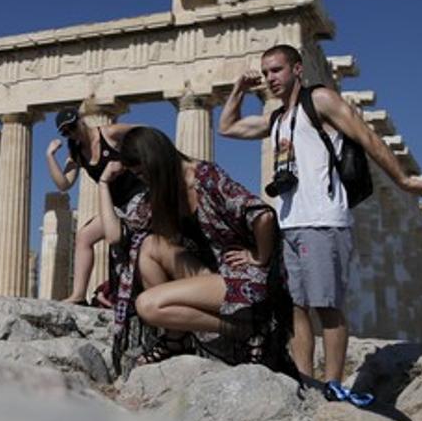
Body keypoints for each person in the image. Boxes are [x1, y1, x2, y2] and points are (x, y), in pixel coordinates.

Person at [219, 43, 422, 403]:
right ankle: (306, 381)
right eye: (266, 72)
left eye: (277, 70)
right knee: (295, 307)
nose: (271, 78)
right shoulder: (276, 119)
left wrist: (403, 181)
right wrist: (239, 90)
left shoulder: (320, 101)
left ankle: (332, 384)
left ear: (297, 70)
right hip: (288, 222)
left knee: (326, 305)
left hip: (322, 220)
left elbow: (366, 136)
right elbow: (226, 127)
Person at [98, 127, 294, 374]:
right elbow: (116, 235)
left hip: (242, 278)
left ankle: (246, 329)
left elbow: (262, 215)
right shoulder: (162, 193)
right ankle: (176, 338)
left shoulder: (206, 177)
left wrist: (259, 257)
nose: (141, 180)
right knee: (147, 245)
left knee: (148, 305)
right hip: (209, 275)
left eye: (141, 173)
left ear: (153, 161)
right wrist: (103, 184)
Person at [44, 107, 143, 304]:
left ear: (81, 120)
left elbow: (144, 132)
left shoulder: (110, 133)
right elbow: (64, 184)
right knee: (84, 237)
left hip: (139, 196)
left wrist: (130, 158)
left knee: (119, 241)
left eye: (72, 127)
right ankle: (79, 295)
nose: (71, 134)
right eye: (66, 132)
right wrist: (50, 156)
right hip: (117, 205)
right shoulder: (77, 153)